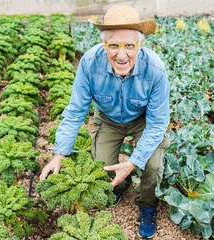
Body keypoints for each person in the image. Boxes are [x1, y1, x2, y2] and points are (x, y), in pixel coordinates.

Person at [39, 5, 170, 239]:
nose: (121, 55)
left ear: (140, 45)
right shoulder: (90, 63)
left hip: (143, 120)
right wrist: (60, 152)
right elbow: (76, 109)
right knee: (101, 166)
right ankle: (121, 185)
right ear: (104, 44)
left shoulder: (156, 70)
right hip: (108, 119)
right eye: (114, 45)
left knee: (152, 164)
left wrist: (133, 162)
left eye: (129, 45)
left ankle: (147, 205)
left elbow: (158, 124)